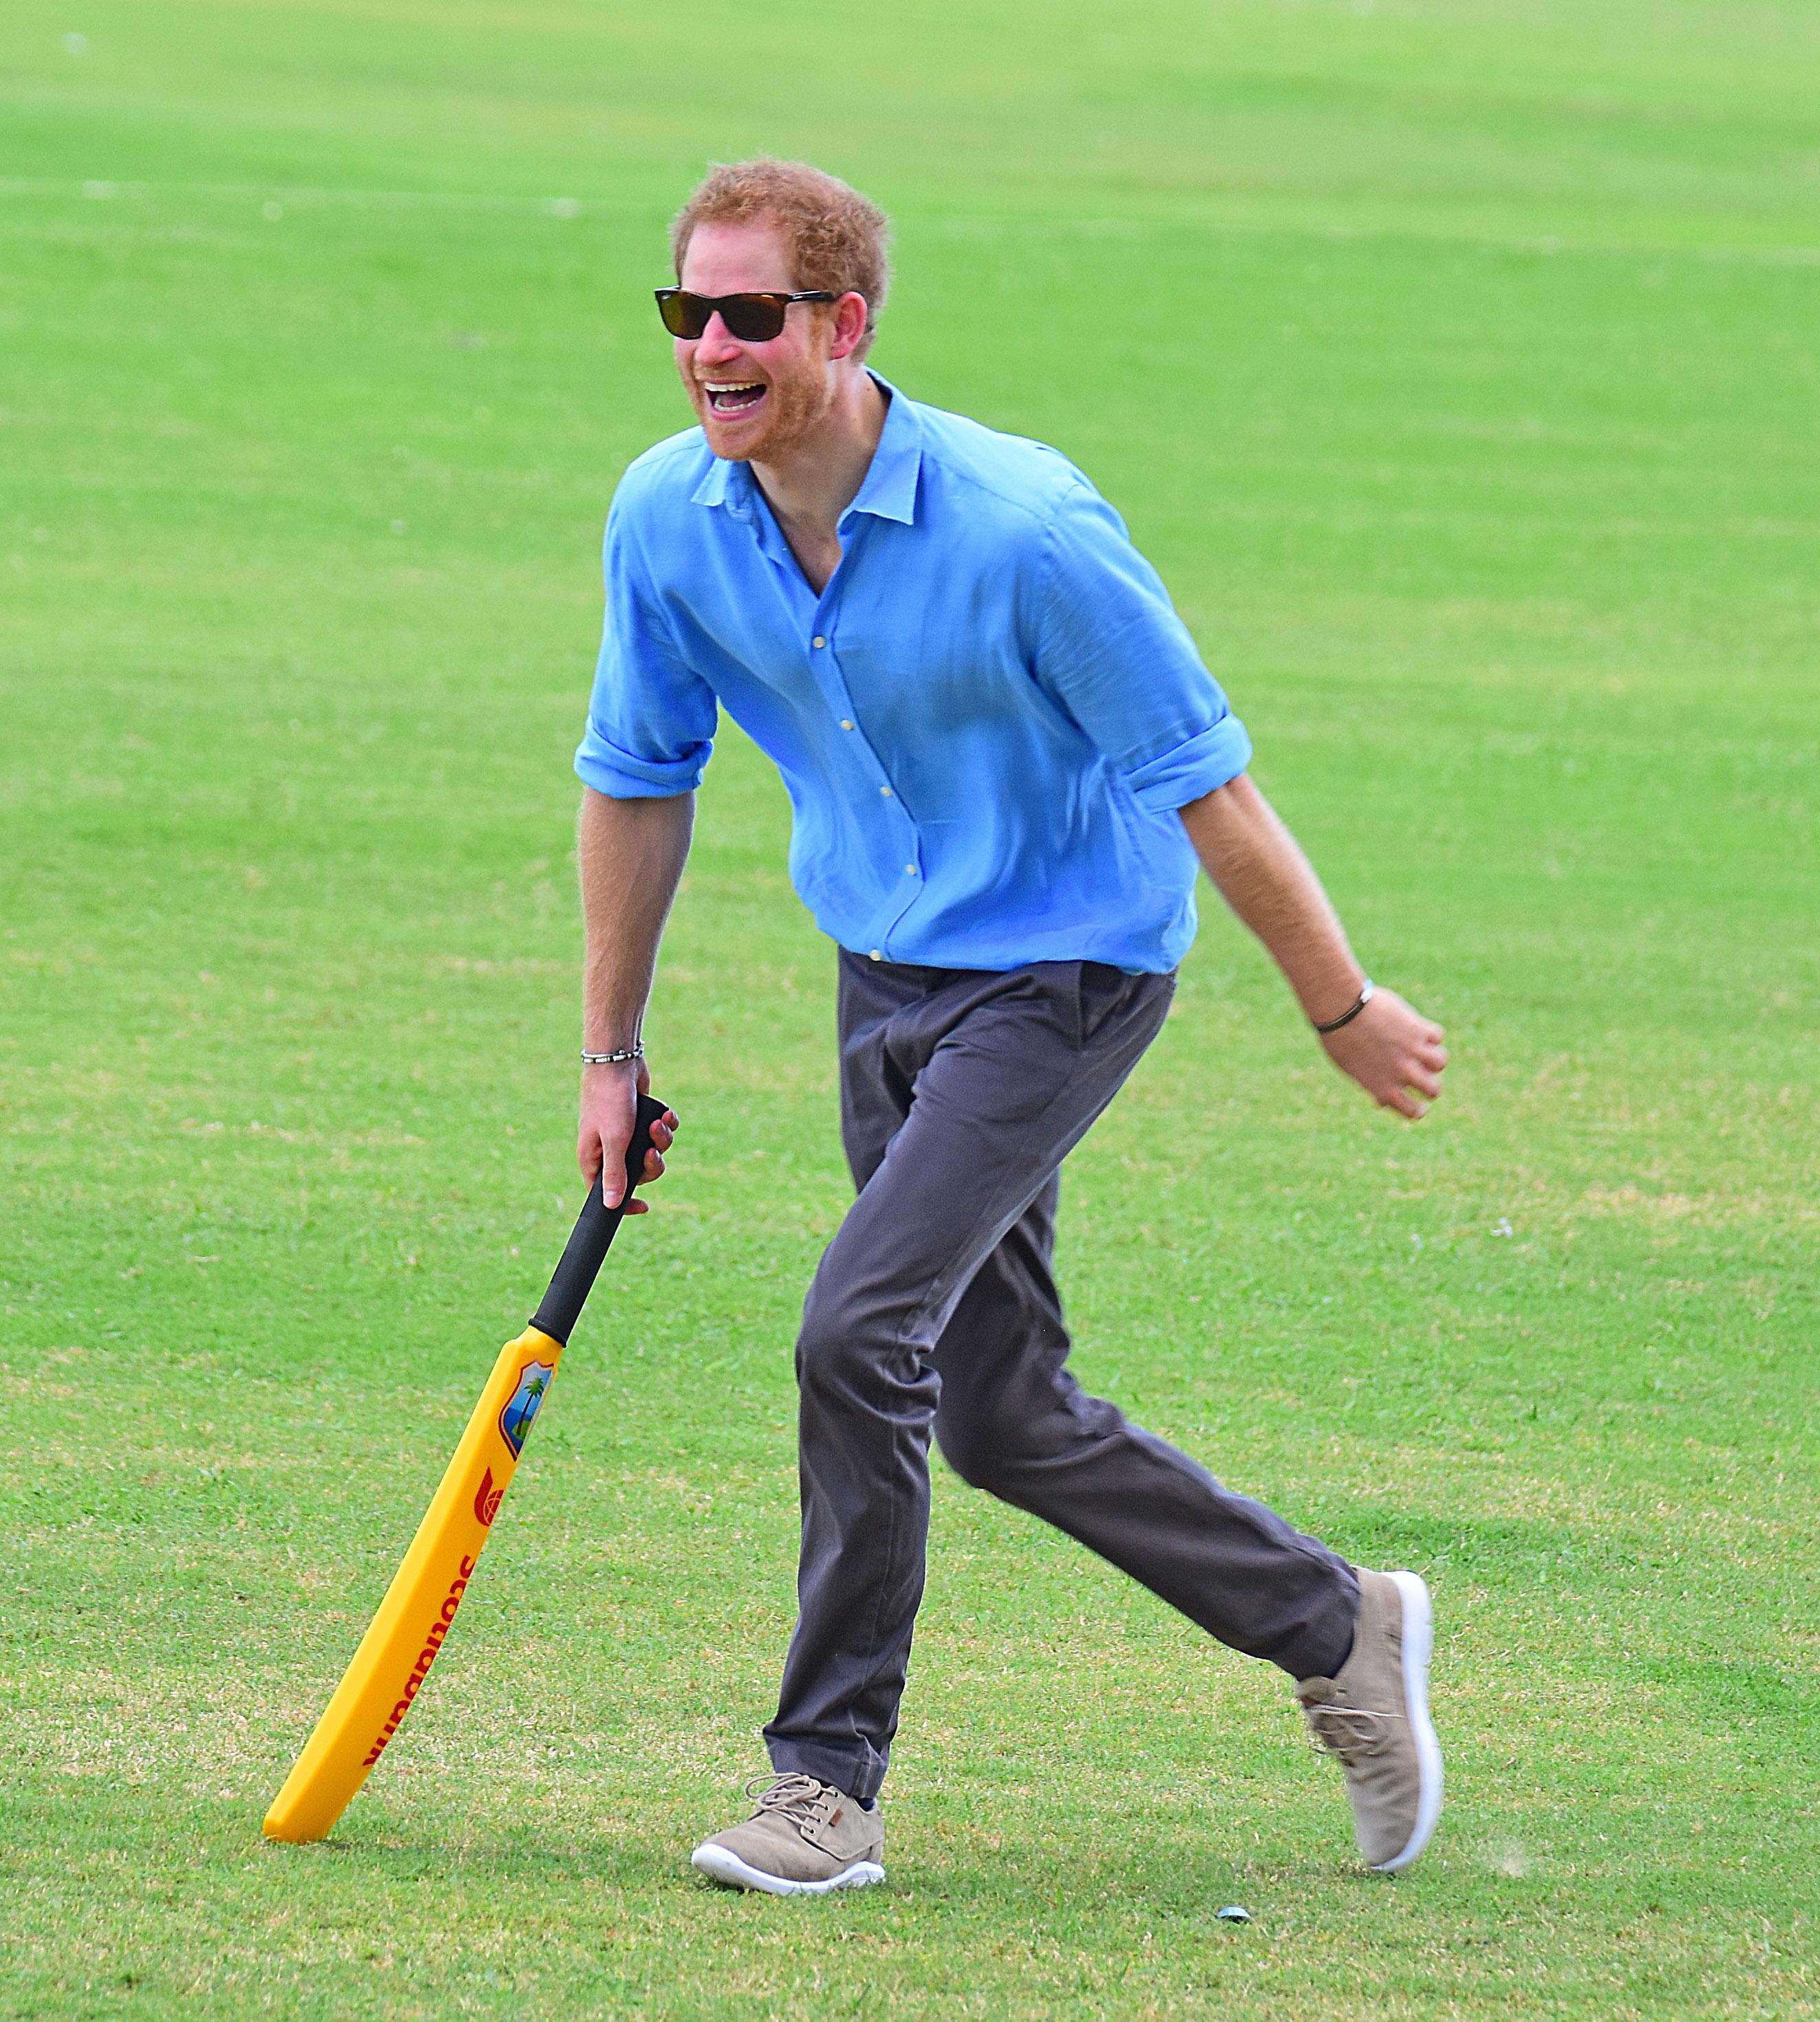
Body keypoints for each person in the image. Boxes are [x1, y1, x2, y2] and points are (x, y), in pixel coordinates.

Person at [572, 158, 1449, 1897]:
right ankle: (1334, 1622)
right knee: (1000, 1412)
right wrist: (612, 1054)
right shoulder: (668, 518)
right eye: (690, 312)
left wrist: (1340, 1005)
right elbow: (635, 780)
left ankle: (822, 1785)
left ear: (847, 324)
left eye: (753, 316)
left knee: (857, 1329)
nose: (713, 349)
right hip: (882, 971)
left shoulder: (1028, 529)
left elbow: (1210, 785)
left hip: (1064, 972)